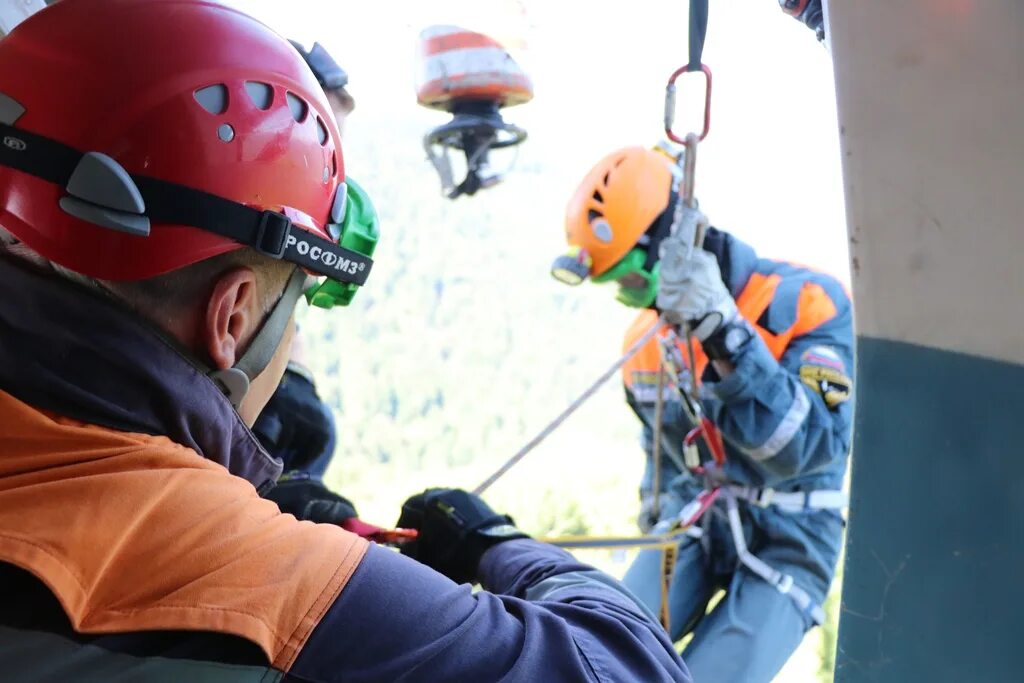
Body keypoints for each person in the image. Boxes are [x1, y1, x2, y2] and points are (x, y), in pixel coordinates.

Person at [0, 3, 690, 681]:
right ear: (233, 316)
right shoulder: (260, 574)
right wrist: (498, 544)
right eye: (295, 301)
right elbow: (631, 668)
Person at [551, 144, 853, 682]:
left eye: (630, 281)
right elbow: (660, 461)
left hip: (793, 538)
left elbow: (805, 452)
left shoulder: (806, 303)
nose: (633, 301)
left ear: (674, 244)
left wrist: (725, 336)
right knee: (596, 651)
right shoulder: (645, 344)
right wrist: (655, 521)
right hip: (696, 523)